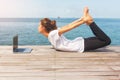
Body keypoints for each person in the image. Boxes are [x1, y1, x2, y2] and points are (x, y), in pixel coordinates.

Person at [38, 7, 111, 52]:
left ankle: (90, 22)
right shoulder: (52, 34)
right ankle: (88, 21)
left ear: (43, 28)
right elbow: (68, 25)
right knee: (102, 39)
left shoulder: (52, 34)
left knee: (106, 41)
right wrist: (82, 19)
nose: (38, 27)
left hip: (81, 45)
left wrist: (83, 21)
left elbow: (70, 27)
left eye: (39, 25)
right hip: (80, 43)